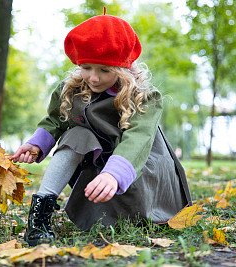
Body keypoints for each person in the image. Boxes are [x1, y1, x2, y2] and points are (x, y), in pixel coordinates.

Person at [11, 11, 192, 246]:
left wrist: (113, 174)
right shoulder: (71, 91)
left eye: (104, 70)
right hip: (98, 166)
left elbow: (138, 139)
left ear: (123, 68)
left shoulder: (143, 97)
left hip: (137, 168)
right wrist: (36, 144)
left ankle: (129, 206)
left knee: (131, 217)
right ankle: (40, 213)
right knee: (76, 133)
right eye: (86, 67)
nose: (93, 78)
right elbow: (56, 120)